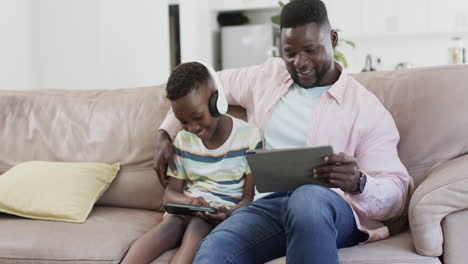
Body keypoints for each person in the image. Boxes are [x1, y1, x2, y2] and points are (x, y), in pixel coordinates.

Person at [154, 0, 410, 263]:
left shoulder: (366, 109)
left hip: (330, 210)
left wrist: (358, 182)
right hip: (266, 208)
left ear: (332, 40)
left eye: (310, 50)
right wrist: (165, 132)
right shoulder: (267, 76)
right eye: (290, 53)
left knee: (307, 197)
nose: (300, 62)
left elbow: (396, 197)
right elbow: (203, 85)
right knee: (214, 249)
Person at [123, 62, 261, 264]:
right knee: (168, 226)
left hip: (220, 216)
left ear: (216, 101)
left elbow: (248, 199)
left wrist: (228, 214)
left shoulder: (249, 137)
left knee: (198, 226)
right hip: (187, 209)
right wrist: (190, 202)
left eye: (197, 117)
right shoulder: (182, 140)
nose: (192, 127)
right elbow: (170, 195)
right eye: (183, 121)